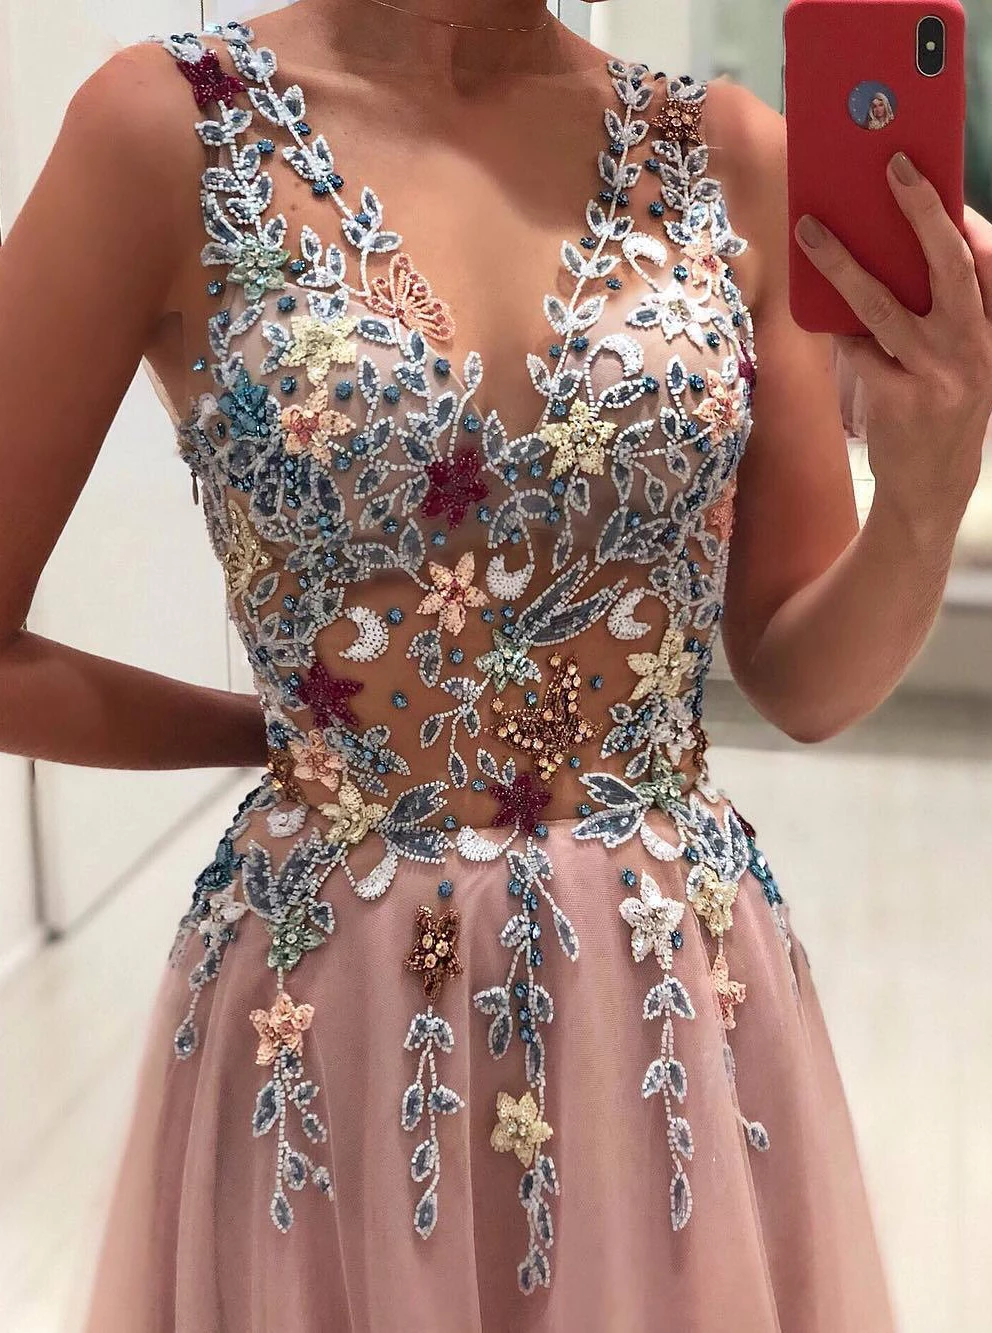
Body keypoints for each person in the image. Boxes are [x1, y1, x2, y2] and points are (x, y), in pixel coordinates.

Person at [0, 1, 989, 1329]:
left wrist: (925, 497)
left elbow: (804, 679)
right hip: (337, 1017)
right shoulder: (167, 132)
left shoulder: (732, 156)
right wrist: (260, 733)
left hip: (660, 1013)